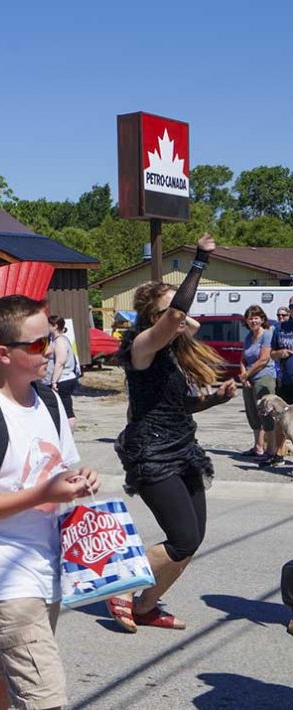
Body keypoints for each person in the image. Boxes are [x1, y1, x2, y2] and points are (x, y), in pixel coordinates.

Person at [0, 295, 100, 710]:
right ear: (3, 354)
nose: (49, 350)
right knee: (44, 696)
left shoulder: (48, 401)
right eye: (36, 345)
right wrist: (42, 494)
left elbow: (66, 468)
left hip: (47, 565)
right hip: (4, 575)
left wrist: (81, 480)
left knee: (4, 673)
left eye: (48, 339)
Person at [109, 233, 238, 633]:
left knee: (191, 540)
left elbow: (180, 405)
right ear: (156, 317)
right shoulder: (142, 347)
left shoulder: (175, 354)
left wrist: (215, 398)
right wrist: (199, 261)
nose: (183, 315)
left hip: (183, 449)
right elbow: (178, 316)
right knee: (181, 539)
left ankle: (146, 605)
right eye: (171, 308)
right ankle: (123, 585)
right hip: (152, 454)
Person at [239, 304, 276, 461]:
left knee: (266, 414)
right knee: (252, 413)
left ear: (262, 319)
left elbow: (263, 359)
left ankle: (271, 450)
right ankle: (258, 447)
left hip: (264, 378)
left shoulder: (267, 335)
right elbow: (243, 358)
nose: (253, 321)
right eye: (250, 318)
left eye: (256, 317)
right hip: (249, 379)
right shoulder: (248, 337)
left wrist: (247, 374)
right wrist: (244, 376)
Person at [43, 315, 80, 428]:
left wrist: (54, 381)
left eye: (48, 325)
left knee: (66, 409)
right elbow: (46, 352)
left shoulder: (60, 342)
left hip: (63, 379)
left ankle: (69, 432)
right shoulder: (54, 341)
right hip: (61, 379)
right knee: (59, 408)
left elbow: (60, 363)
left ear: (55, 326)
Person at [269, 307, 293, 463]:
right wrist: (279, 353)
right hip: (285, 380)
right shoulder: (280, 328)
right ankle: (278, 455)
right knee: (280, 420)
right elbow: (271, 353)